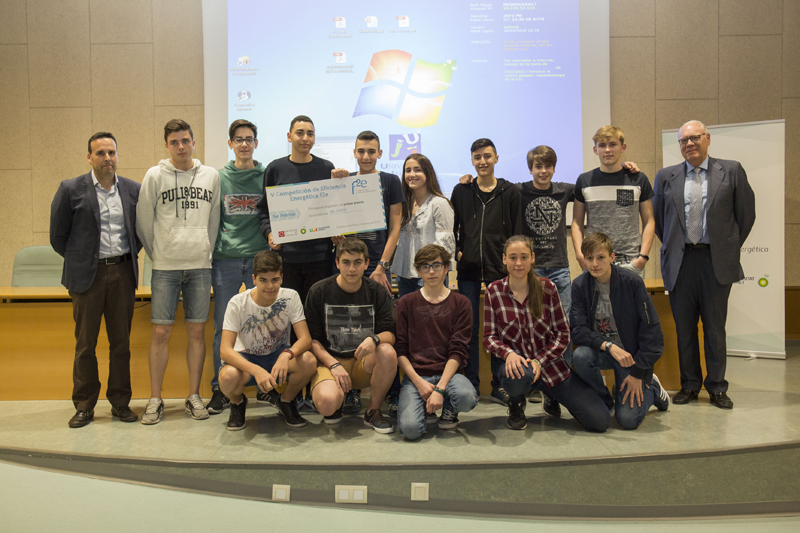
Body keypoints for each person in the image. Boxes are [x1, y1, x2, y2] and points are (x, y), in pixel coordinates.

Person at [653, 120, 756, 409]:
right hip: (681, 261)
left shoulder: (731, 170)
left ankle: (717, 387)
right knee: (684, 329)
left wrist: (725, 245)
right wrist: (678, 245)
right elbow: (662, 222)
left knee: (714, 328)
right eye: (683, 141)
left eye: (694, 138)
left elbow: (745, 215)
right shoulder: (665, 176)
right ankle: (689, 385)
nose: (689, 144)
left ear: (707, 138)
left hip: (715, 261)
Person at [50, 132, 141, 428]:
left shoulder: (131, 190)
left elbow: (138, 234)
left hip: (123, 273)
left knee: (121, 344)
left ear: (117, 155)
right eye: (100, 153)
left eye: (111, 153)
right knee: (86, 344)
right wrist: (83, 259)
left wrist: (122, 259)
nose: (107, 158)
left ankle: (120, 403)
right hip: (87, 276)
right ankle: (85, 406)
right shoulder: (70, 189)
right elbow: (58, 237)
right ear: (89, 157)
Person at [136, 119, 221, 425]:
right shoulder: (154, 175)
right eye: (175, 142)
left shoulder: (211, 176)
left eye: (186, 140)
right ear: (167, 145)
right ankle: (155, 399)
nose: (181, 147)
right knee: (161, 331)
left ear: (193, 142)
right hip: (165, 268)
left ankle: (193, 396)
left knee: (197, 331)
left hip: (200, 266)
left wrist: (205, 251)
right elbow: (144, 221)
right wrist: (159, 252)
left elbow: (214, 219)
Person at [483, 235, 610, 433]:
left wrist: (539, 362)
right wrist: (509, 354)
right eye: (513, 257)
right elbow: (489, 337)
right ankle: (516, 402)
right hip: (517, 368)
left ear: (533, 258)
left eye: (524, 257)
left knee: (599, 421)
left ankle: (551, 393)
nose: (518, 263)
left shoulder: (548, 288)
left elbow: (563, 334)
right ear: (504, 259)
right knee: (518, 376)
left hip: (551, 367)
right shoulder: (494, 291)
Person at [570, 232, 669, 428]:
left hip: (630, 357)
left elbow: (653, 334)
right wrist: (607, 345)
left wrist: (638, 373)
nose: (595, 264)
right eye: (589, 258)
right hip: (605, 351)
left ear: (612, 258)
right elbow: (577, 329)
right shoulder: (580, 285)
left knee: (628, 420)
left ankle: (654, 389)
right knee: (580, 356)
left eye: (600, 257)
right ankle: (605, 401)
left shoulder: (632, 282)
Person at [451, 138, 522, 405]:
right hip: (468, 269)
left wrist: (510, 261)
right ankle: (471, 383)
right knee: (468, 329)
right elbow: (451, 227)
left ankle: (498, 385)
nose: (483, 161)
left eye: (487, 156)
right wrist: (459, 251)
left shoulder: (510, 192)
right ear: (472, 160)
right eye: (478, 157)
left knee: (500, 331)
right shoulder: (462, 190)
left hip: (498, 270)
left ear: (496, 158)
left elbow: (517, 232)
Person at [207, 119, 269, 416]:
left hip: (260, 259)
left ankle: (264, 384)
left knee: (263, 326)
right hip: (226, 259)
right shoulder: (218, 178)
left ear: (256, 143)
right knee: (223, 326)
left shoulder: (267, 176)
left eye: (249, 139)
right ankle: (220, 388)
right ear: (230, 144)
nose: (244, 144)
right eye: (239, 139)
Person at [341, 131, 405, 415]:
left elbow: (395, 226)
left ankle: (392, 391)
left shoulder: (390, 181)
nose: (366, 156)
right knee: (349, 326)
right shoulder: (343, 182)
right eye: (361, 151)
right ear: (354, 153)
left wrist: (382, 265)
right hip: (348, 265)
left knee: (382, 327)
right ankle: (351, 390)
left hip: (378, 268)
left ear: (380, 153)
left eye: (371, 151)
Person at [305, 238, 398, 433]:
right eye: (346, 262)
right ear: (337, 263)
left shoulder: (376, 291)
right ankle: (337, 398)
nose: (352, 269)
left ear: (366, 264)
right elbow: (311, 341)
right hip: (331, 362)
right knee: (327, 404)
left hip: (362, 363)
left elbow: (390, 333)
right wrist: (333, 364)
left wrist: (375, 339)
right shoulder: (319, 291)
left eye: (357, 262)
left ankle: (372, 411)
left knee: (387, 352)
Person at [218, 250, 317, 430]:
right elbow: (225, 350)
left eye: (275, 280)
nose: (270, 286)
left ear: (281, 278)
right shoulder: (237, 302)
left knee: (309, 361)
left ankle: (286, 401)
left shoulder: (290, 296)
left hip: (277, 356)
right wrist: (256, 370)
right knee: (228, 376)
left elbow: (305, 339)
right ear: (254, 279)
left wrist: (286, 355)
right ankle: (237, 403)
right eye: (263, 280)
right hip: (247, 359)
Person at [390, 153, 455, 414]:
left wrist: (435, 272)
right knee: (409, 335)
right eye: (408, 170)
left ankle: (440, 391)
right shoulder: (404, 204)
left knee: (434, 334)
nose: (412, 175)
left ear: (427, 173)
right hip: (405, 276)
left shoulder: (439, 203)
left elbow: (446, 244)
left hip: (429, 277)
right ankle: (414, 389)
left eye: (417, 169)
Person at [396, 244, 478, 440]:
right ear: (417, 270)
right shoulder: (405, 303)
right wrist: (419, 383)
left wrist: (440, 388)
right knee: (410, 430)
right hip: (417, 377)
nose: (431, 271)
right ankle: (426, 408)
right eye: (425, 266)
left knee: (466, 397)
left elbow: (458, 350)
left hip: (449, 375)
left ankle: (449, 407)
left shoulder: (461, 303)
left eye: (436, 265)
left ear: (447, 267)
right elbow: (400, 349)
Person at [256, 115, 336, 307]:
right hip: (287, 257)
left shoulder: (326, 168)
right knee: (288, 313)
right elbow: (264, 210)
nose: (305, 138)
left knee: (315, 311)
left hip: (320, 256)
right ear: (289, 136)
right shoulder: (275, 168)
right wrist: (269, 233)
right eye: (299, 133)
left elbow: (334, 208)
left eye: (310, 133)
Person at [572, 126, 655, 278]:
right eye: (602, 145)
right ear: (595, 150)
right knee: (596, 303)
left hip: (630, 260)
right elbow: (577, 222)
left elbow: (649, 220)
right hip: (595, 259)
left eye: (613, 144)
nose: (608, 150)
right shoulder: (584, 180)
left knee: (630, 303)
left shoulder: (638, 179)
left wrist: (642, 257)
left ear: (623, 147)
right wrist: (579, 254)